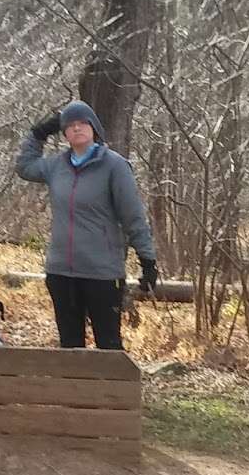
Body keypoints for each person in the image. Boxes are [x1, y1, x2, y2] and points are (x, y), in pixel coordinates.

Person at [16, 100, 158, 350]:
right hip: (61, 272)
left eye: (82, 123)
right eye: (69, 125)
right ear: (64, 133)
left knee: (108, 345)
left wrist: (147, 259)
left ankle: (111, 391)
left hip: (101, 273)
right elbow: (25, 167)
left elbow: (132, 215)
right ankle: (72, 391)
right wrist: (37, 134)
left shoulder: (114, 166)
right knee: (70, 347)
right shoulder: (56, 166)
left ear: (94, 128)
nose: (77, 128)